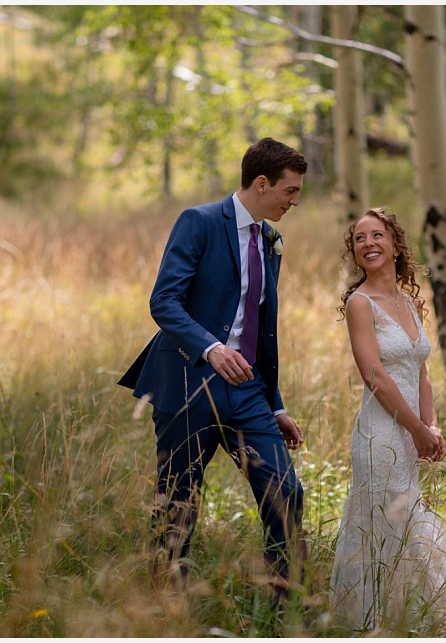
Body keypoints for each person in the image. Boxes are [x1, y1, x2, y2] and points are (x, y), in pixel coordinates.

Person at [118, 138, 308, 601]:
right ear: (261, 184)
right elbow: (164, 301)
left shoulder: (269, 240)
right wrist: (211, 348)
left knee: (286, 492)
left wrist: (274, 403)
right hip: (187, 381)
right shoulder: (199, 222)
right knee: (178, 502)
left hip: (247, 392)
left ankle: (282, 608)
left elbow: (261, 329)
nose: (295, 201)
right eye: (290, 191)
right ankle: (167, 605)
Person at [328, 208, 446, 632]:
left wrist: (431, 426)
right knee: (391, 521)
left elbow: (421, 370)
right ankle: (378, 620)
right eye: (360, 238)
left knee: (402, 520)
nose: (369, 243)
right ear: (355, 252)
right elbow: (374, 374)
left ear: (395, 245)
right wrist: (414, 428)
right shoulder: (361, 304)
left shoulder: (410, 302)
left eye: (378, 235)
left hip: (411, 431)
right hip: (380, 434)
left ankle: (407, 615)